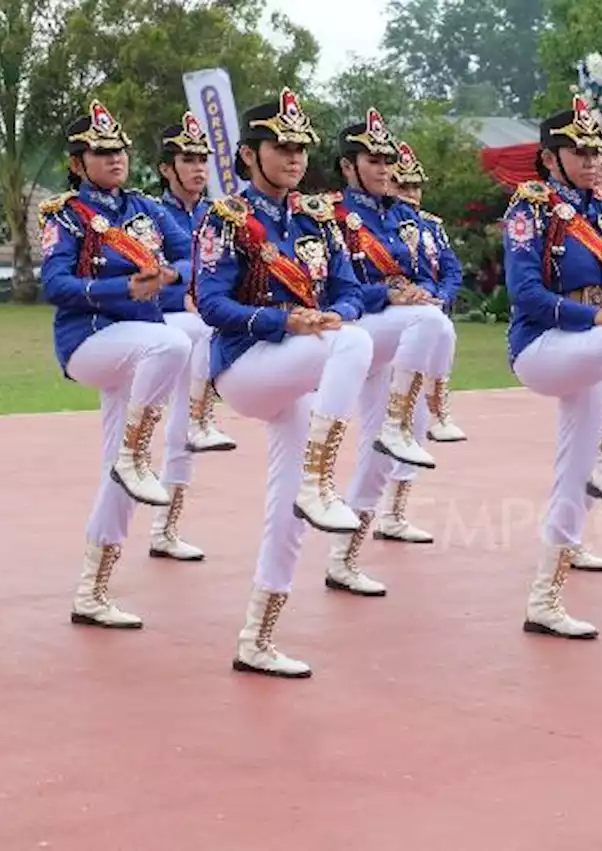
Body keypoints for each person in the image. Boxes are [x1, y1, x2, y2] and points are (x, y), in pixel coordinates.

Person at [195, 89, 375, 678]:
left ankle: (258, 638)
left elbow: (349, 288)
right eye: (281, 146)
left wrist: (331, 313)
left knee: (285, 510)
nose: (294, 156)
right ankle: (323, 482)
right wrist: (283, 319)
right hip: (245, 364)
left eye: (301, 147)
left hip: (297, 364)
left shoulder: (318, 220)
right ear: (250, 154)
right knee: (356, 343)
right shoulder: (224, 218)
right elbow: (209, 302)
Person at [502, 95, 602, 640]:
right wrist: (596, 316)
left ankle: (544, 601)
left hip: (599, 341)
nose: (593, 159)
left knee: (572, 469)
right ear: (551, 157)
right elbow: (523, 291)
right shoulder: (531, 207)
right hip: (545, 344)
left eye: (598, 149)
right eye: (579, 150)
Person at [39, 99, 194, 628]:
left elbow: (194, 253)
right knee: (175, 345)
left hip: (137, 343)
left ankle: (92, 592)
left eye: (120, 149)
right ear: (79, 163)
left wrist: (170, 275)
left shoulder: (148, 210)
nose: (115, 158)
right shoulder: (65, 214)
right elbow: (55, 284)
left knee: (120, 479)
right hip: (90, 340)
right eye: (101, 152)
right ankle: (137, 452)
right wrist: (121, 286)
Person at [322, 108, 457, 596]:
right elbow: (328, 285)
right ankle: (425, 414)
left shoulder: (407, 218)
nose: (383, 168)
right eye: (371, 160)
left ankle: (344, 556)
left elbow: (432, 271)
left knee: (378, 450)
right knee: (430, 323)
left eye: (386, 159)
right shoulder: (330, 217)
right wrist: (390, 296)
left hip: (397, 337)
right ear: (347, 166)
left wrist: (424, 291)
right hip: (355, 332)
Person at [145, 112, 235, 564]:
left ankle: (167, 529)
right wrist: (188, 281)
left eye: (203, 158)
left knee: (180, 431)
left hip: (204, 325)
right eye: (188, 159)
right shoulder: (149, 212)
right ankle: (202, 417)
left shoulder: (219, 214)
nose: (199, 167)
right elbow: (158, 274)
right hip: (167, 322)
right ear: (166, 168)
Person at [371, 140, 467, 545]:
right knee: (380, 426)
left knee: (418, 427)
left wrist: (438, 296)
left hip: (425, 326)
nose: (410, 193)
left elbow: (450, 270)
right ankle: (363, 515)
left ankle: (395, 513)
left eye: (415, 186)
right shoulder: (380, 223)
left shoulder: (431, 226)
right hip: (388, 324)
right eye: (402, 185)